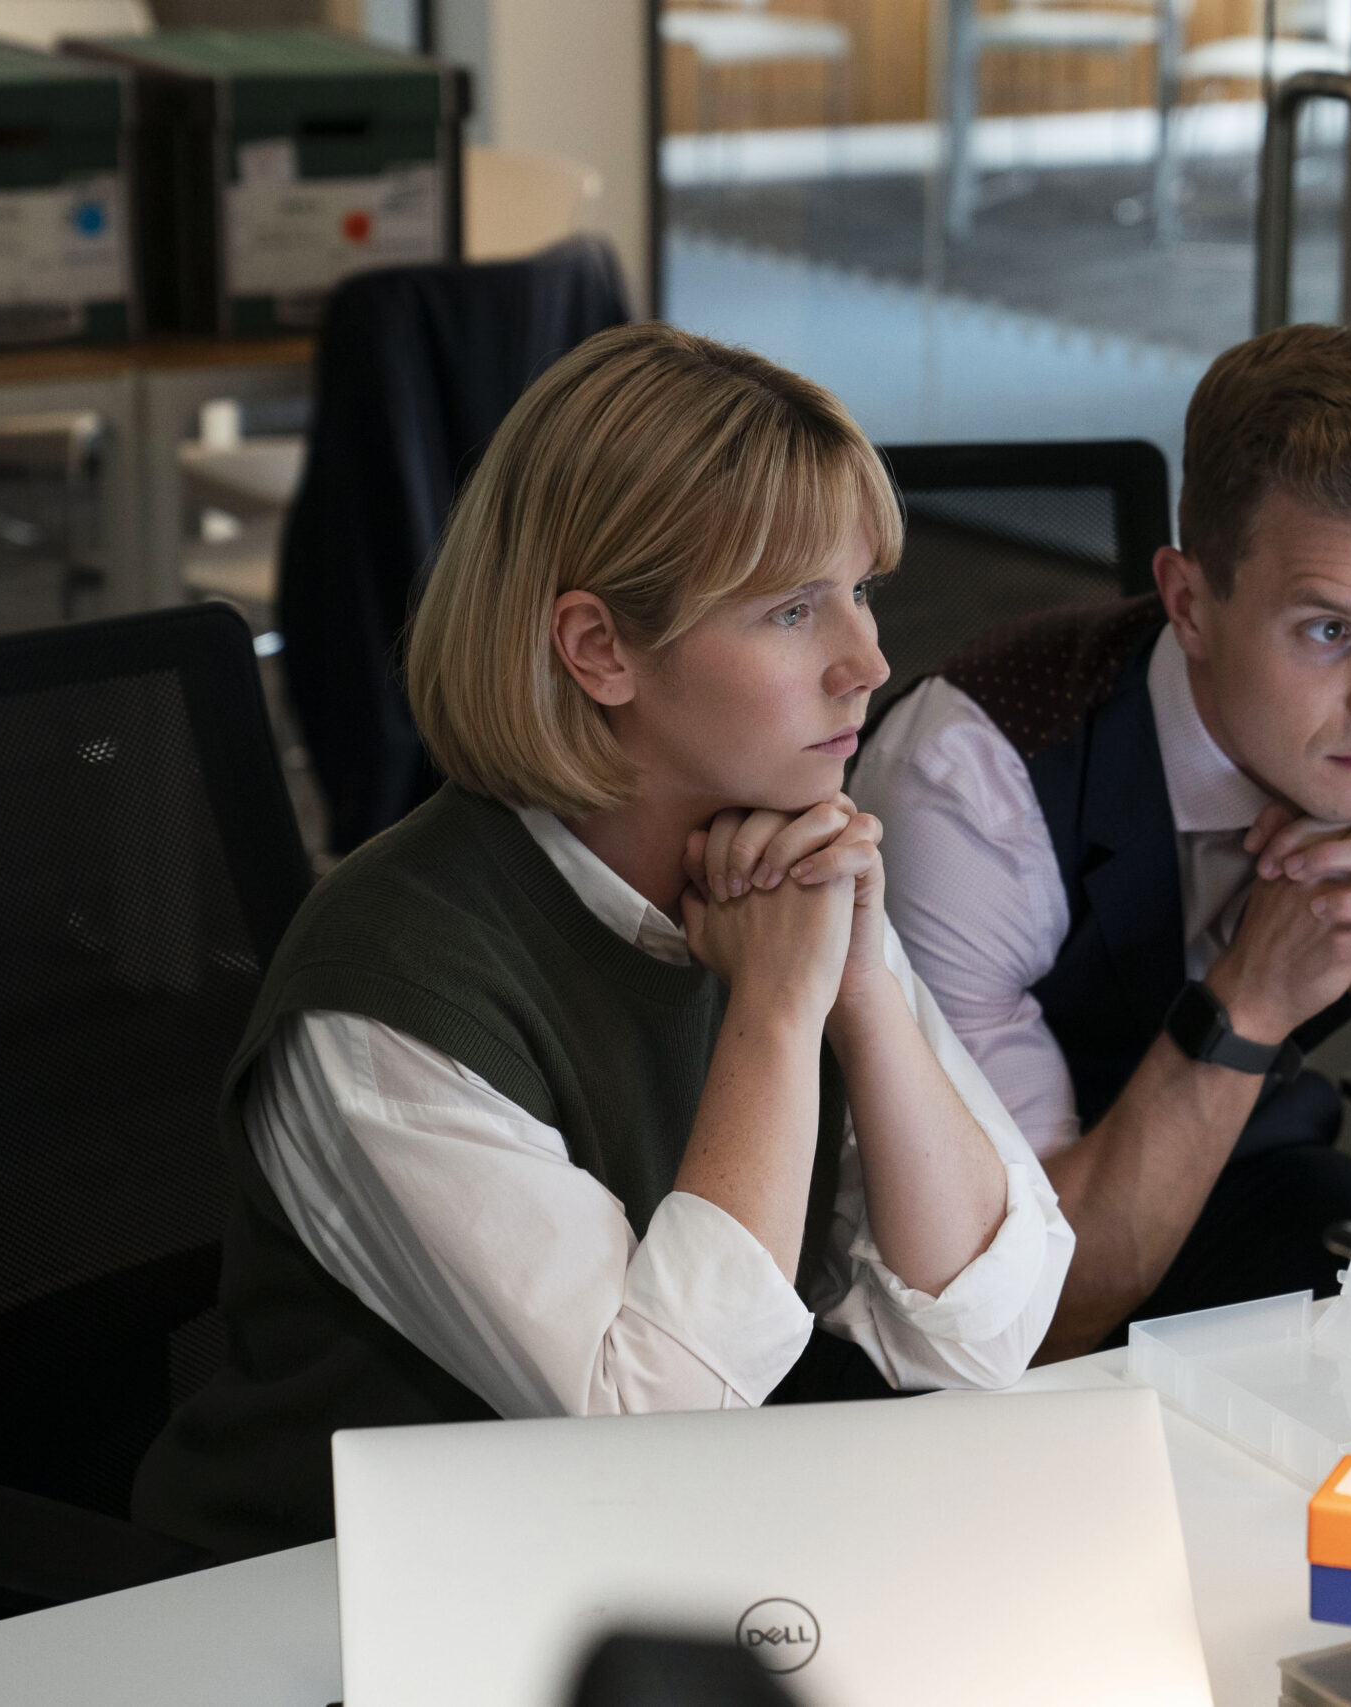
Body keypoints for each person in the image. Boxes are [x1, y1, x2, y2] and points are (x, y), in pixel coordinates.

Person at [137, 325, 1073, 1559]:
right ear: (599, 649)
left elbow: (982, 1334)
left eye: (863, 592)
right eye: (795, 611)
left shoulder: (785, 865)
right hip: (341, 1613)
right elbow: (654, 1420)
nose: (869, 663)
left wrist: (861, 989)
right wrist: (778, 1017)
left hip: (646, 1571)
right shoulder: (383, 1002)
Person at [851, 324, 1351, 1362]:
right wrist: (1249, 1001)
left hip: (1259, 1184)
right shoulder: (974, 782)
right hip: (941, 1305)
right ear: (1189, 604)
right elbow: (1012, 1323)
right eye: (1328, 632)